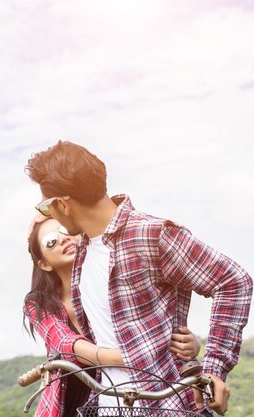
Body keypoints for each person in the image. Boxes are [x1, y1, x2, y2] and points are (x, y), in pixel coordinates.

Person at [25, 140, 253, 415]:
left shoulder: (152, 235)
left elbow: (233, 281)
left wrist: (214, 368)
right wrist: (43, 215)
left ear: (63, 204)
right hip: (109, 407)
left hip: (167, 407)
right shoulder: (83, 248)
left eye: (50, 209)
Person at [24, 215, 200, 417]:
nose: (63, 239)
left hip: (135, 389)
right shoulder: (39, 303)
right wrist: (134, 356)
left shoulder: (108, 276)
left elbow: (151, 318)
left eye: (64, 231)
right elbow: (65, 343)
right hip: (73, 398)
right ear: (44, 263)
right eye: (51, 242)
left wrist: (188, 344)